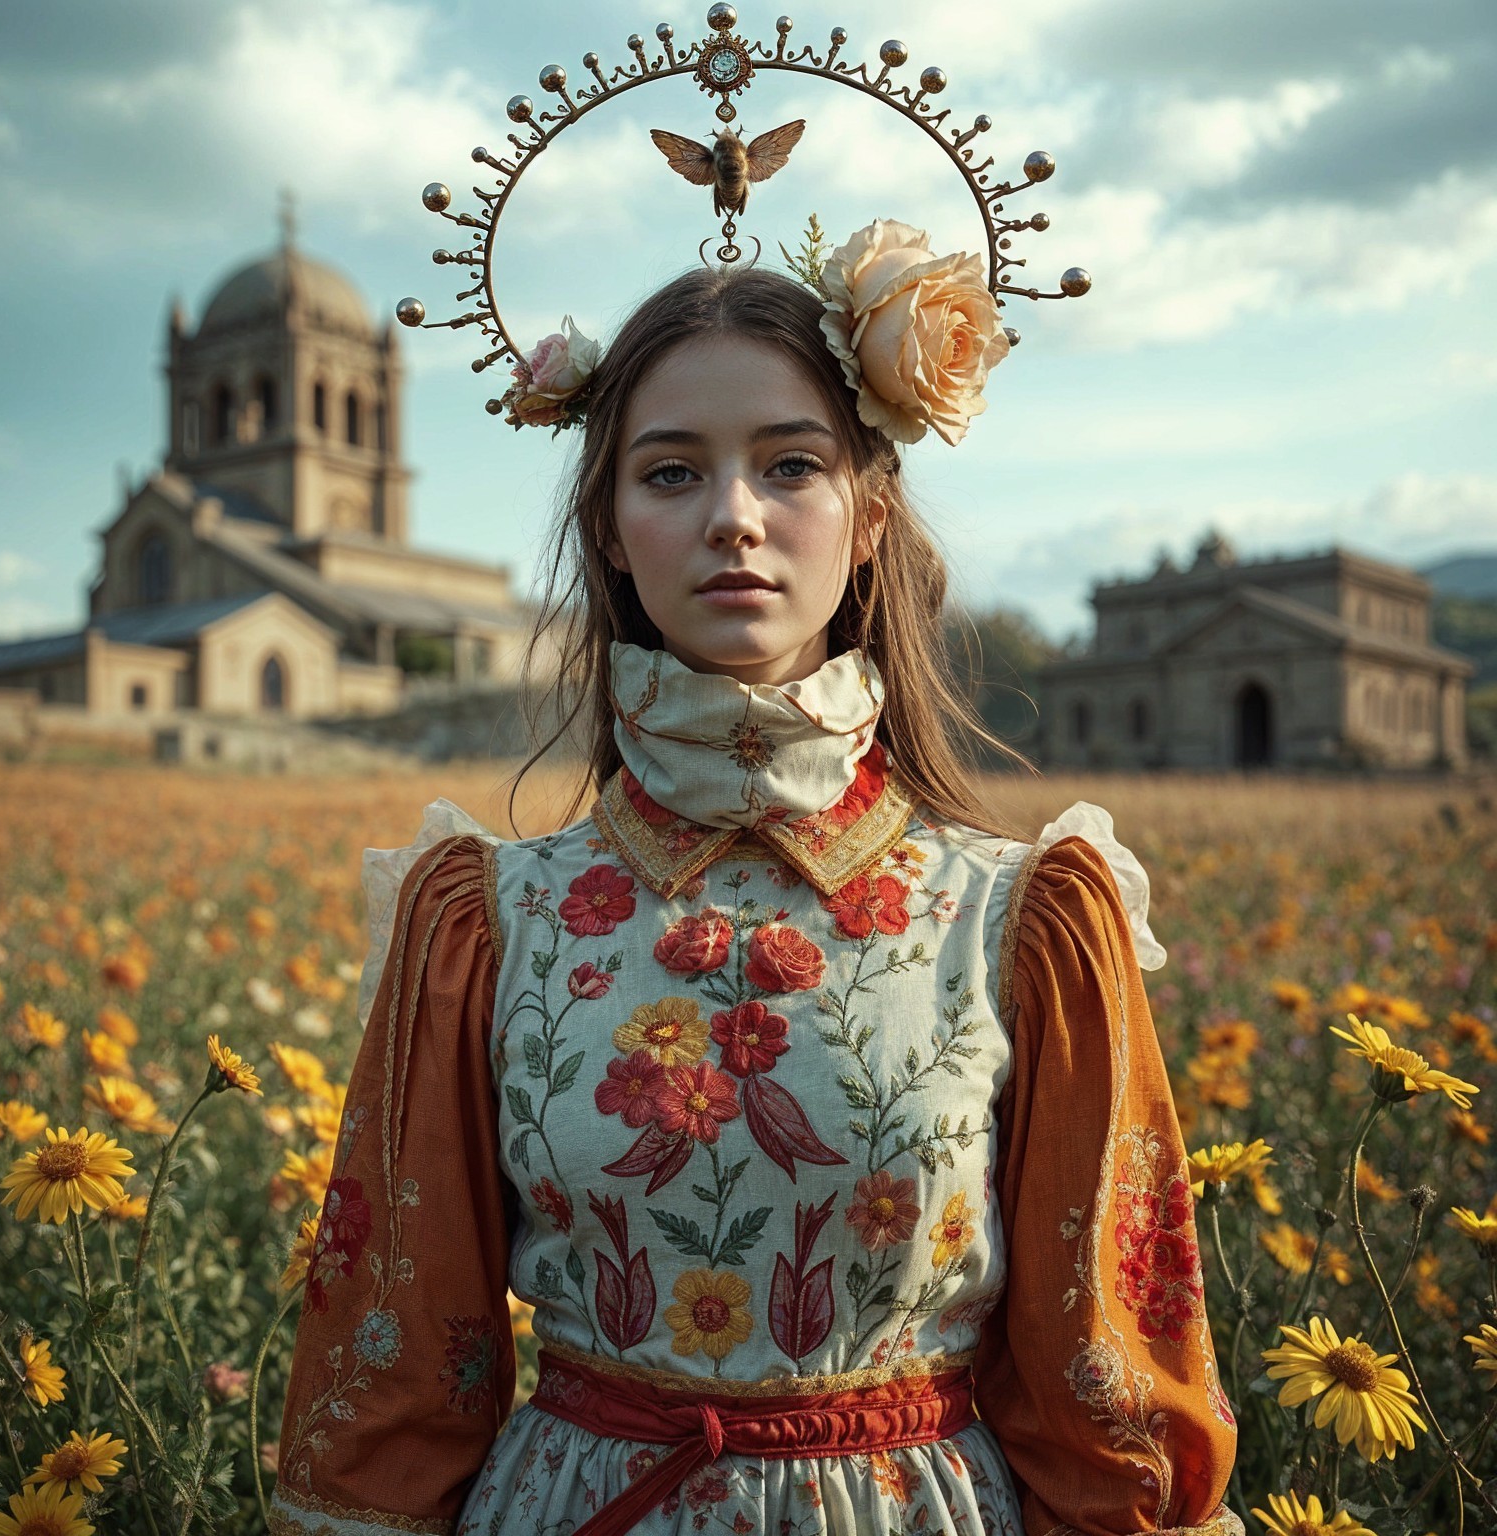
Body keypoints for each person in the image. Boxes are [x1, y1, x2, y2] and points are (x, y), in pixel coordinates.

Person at [268, 235, 1241, 1536]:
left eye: (791, 465)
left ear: (873, 516)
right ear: (611, 529)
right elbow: (393, 1382)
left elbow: (1108, 1389)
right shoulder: (487, 923)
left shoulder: (1024, 921)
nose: (733, 514)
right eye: (672, 471)